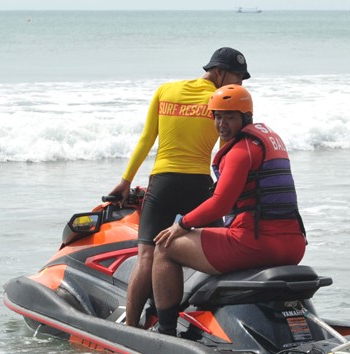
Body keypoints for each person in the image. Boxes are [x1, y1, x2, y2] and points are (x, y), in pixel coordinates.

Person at [106, 47, 251, 328]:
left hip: (162, 184)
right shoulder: (220, 101)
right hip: (200, 187)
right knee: (220, 250)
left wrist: (125, 180)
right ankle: (221, 322)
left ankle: (131, 328)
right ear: (219, 73)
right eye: (237, 77)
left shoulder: (165, 91)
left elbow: (147, 139)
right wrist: (227, 191)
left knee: (147, 256)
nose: (239, 85)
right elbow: (226, 150)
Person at [150, 85, 307, 336]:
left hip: (256, 243)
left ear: (245, 117)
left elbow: (221, 203)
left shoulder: (240, 150)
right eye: (217, 116)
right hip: (294, 245)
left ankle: (165, 330)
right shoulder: (270, 140)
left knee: (165, 247)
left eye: (229, 117)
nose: (221, 124)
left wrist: (182, 224)